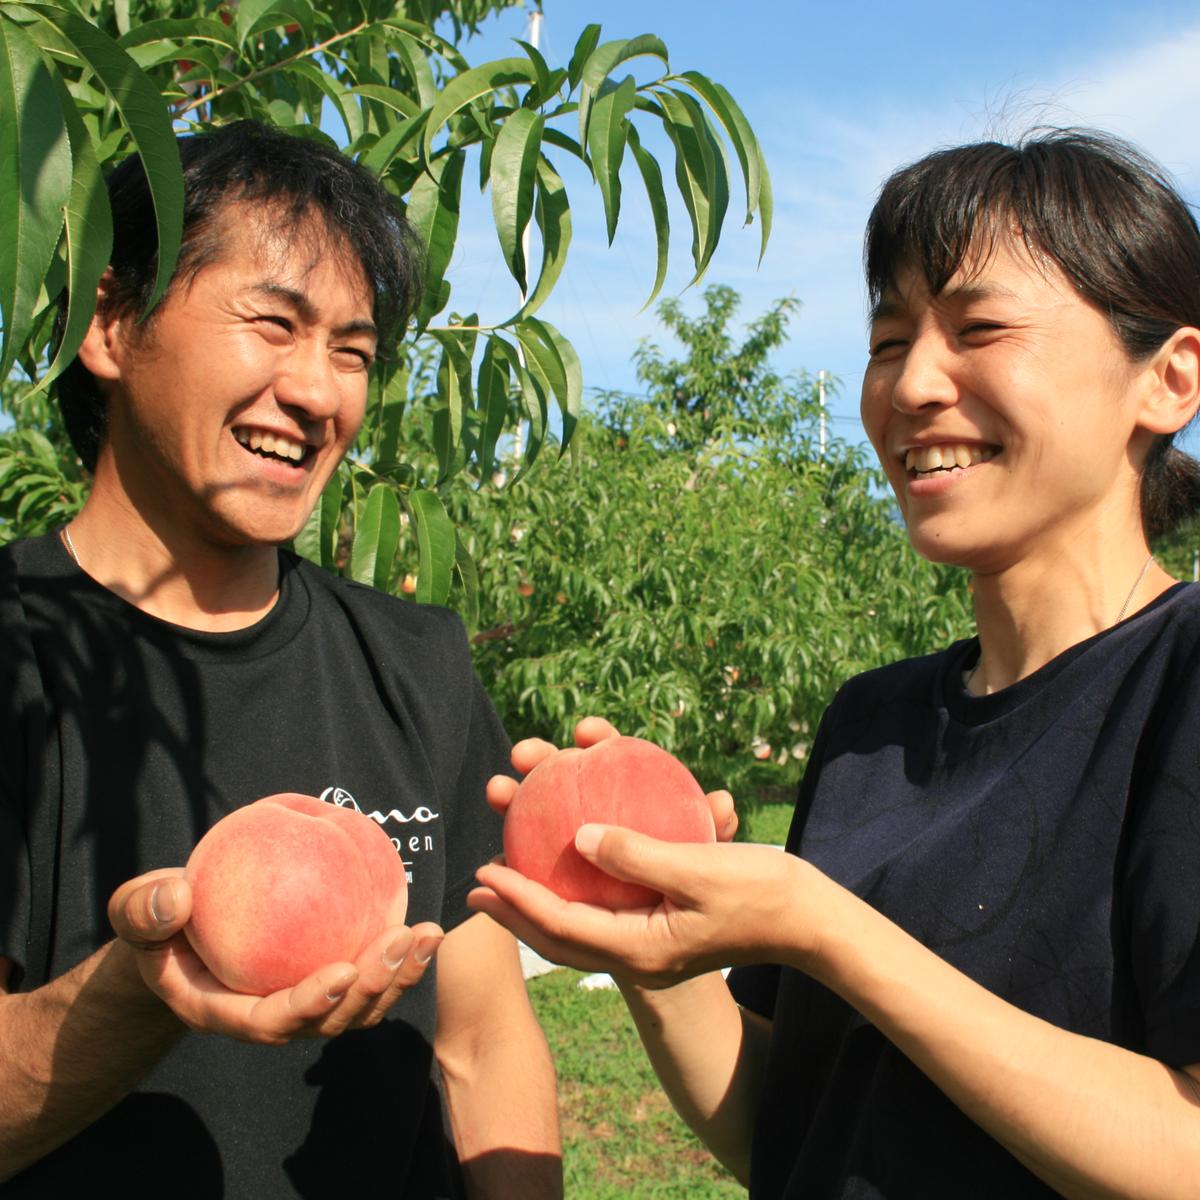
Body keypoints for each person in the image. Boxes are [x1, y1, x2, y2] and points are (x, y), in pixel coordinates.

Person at [470, 128, 1200, 1198]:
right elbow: (792, 1129)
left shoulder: (1177, 686)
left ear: (1170, 379)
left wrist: (826, 930)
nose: (913, 386)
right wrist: (648, 954)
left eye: (980, 328)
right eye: (889, 340)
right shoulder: (876, 723)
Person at [0, 121, 560, 1197]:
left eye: (352, 352)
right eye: (273, 324)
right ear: (110, 323)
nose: (318, 393)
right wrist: (137, 990)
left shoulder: (420, 661)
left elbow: (485, 1044)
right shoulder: (15, 660)